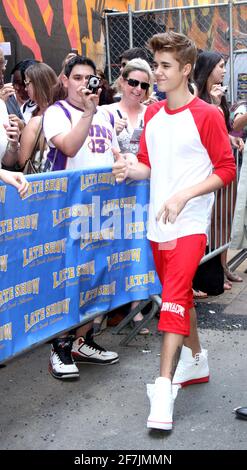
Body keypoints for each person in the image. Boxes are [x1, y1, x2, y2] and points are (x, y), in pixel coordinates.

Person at [112, 31, 236, 431]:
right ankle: (196, 360)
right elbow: (148, 165)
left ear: (185, 70)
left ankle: (163, 388)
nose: (157, 74)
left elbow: (226, 169)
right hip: (157, 224)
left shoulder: (207, 115)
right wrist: (129, 168)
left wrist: (185, 194)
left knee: (173, 300)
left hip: (190, 223)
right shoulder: (151, 115)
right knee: (176, 297)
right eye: (155, 66)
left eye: (165, 67)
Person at [43, 55, 119, 380]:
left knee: (96, 277)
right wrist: (88, 112)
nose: (84, 84)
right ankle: (60, 346)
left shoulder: (104, 115)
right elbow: (70, 148)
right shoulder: (55, 113)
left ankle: (82, 340)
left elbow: (114, 154)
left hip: (102, 211)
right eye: (77, 77)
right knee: (71, 279)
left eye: (90, 78)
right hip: (68, 211)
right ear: (64, 80)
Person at [99, 58, 153, 335]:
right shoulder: (104, 112)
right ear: (121, 81)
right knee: (109, 250)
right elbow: (93, 150)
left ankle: (136, 310)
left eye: (144, 85)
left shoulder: (154, 113)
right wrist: (111, 136)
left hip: (143, 194)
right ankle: (100, 312)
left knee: (137, 249)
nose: (138, 89)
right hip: (111, 194)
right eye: (133, 82)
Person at [194, 51, 243, 293]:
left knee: (223, 220)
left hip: (223, 166)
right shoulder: (196, 96)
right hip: (205, 172)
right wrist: (211, 104)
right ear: (208, 68)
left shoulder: (220, 93)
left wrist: (232, 139)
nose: (224, 70)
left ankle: (222, 266)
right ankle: (208, 271)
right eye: (221, 66)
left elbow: (223, 130)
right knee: (209, 221)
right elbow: (199, 132)